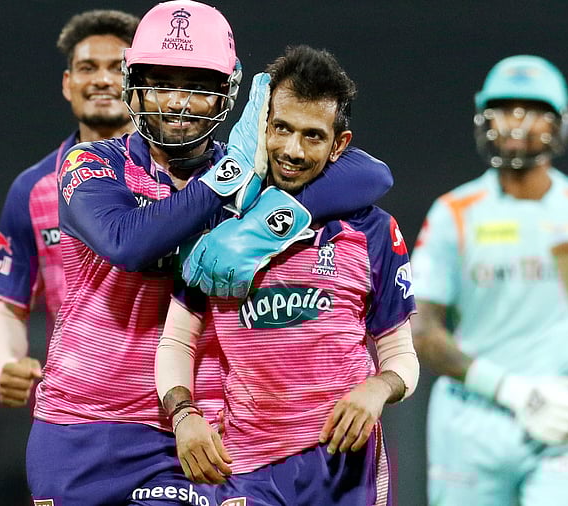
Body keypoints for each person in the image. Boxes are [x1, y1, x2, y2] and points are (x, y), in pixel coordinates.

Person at [25, 2, 394, 505]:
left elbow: (372, 174)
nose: (178, 102)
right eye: (161, 84)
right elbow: (126, 243)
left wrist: (262, 221)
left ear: (227, 94)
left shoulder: (255, 178)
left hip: (195, 430)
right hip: (80, 423)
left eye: (197, 87)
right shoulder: (92, 163)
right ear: (136, 88)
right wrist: (228, 178)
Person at [155, 45, 419, 506]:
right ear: (264, 126)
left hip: (346, 465)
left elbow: (402, 355)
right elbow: (177, 340)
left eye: (313, 136)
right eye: (282, 129)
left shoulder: (373, 229)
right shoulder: (219, 220)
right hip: (245, 467)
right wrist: (183, 415)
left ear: (339, 144)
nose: (293, 151)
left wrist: (377, 389)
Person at [409, 55, 568, 506]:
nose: (517, 122)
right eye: (505, 109)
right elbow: (421, 328)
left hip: (567, 413)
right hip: (473, 420)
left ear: (560, 123)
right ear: (484, 118)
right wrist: (511, 391)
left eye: (533, 110)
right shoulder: (453, 214)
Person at [0, 9, 139, 408]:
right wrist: (6, 363)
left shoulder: (178, 180)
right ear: (68, 84)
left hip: (168, 411)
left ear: (140, 84)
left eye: (117, 68)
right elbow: (7, 306)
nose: (102, 79)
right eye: (88, 68)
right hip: (72, 411)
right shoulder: (33, 189)